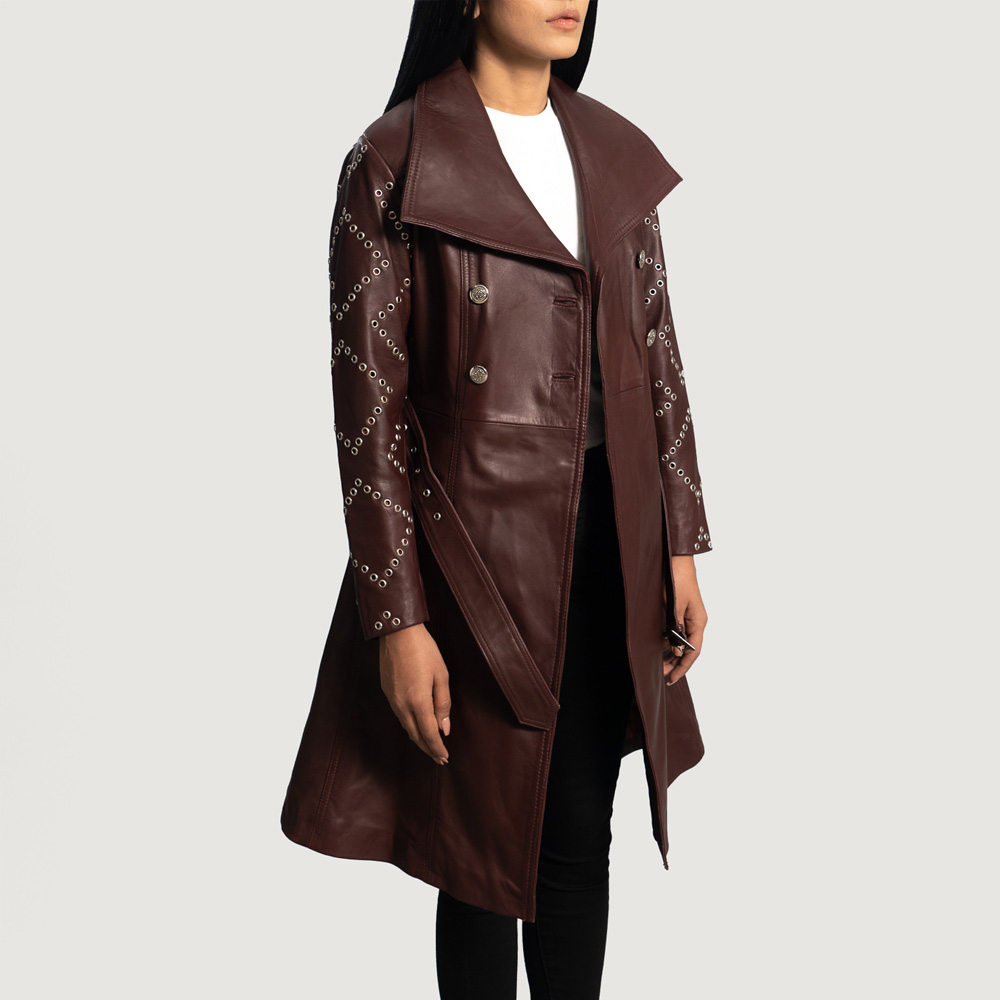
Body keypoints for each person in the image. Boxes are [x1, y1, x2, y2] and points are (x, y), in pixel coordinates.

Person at [280, 3, 713, 997]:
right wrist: (398, 619)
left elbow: (659, 356)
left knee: (578, 831)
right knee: (477, 852)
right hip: (469, 555)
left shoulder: (612, 153)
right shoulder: (392, 161)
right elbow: (368, 418)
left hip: (610, 537)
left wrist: (679, 543)